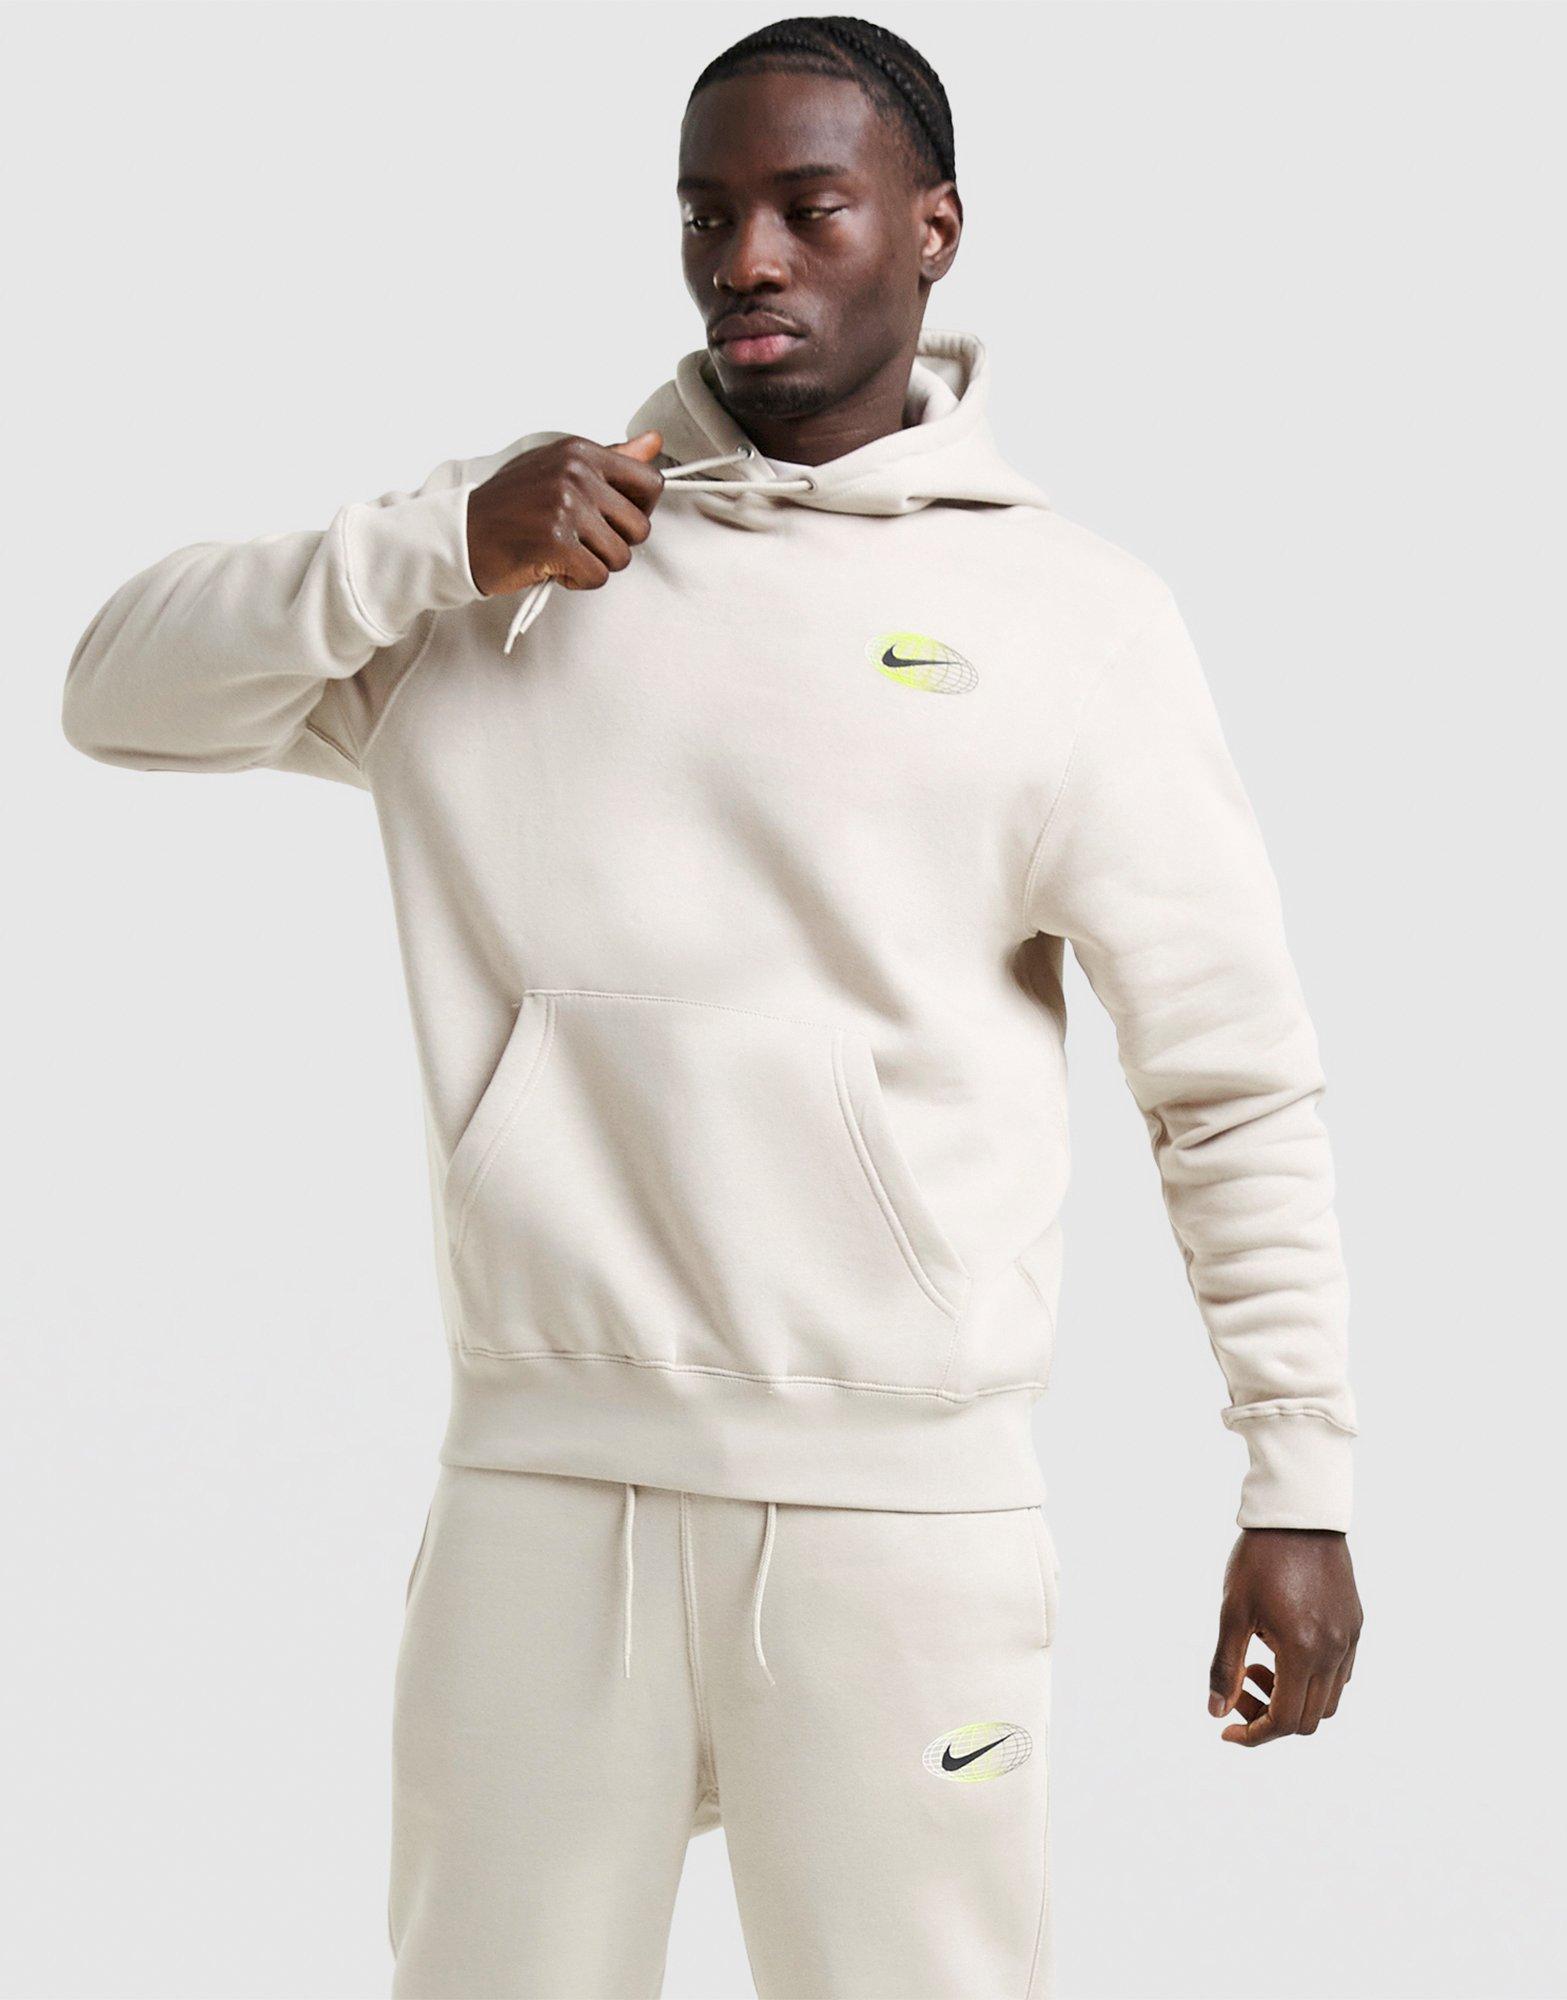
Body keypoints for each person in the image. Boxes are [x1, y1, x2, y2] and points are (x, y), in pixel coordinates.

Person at [61, 15, 1363, 1999]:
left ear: (930, 230)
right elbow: (116, 691)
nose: (745, 257)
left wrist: (1299, 1483)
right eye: (705, 214)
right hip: (534, 1493)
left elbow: (1230, 1081)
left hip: (899, 1524)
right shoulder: (511, 566)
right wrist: (434, 542)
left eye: (805, 208)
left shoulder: (1073, 622)